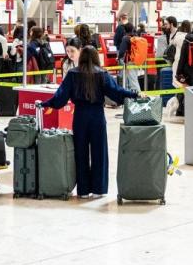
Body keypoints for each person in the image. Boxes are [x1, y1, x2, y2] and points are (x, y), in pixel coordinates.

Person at [39, 46, 139, 198]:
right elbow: (116, 92)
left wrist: (46, 103)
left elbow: (60, 97)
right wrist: (134, 94)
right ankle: (99, 189)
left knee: (80, 152)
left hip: (80, 116)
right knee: (100, 152)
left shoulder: (73, 74)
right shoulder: (102, 74)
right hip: (97, 116)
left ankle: (83, 190)